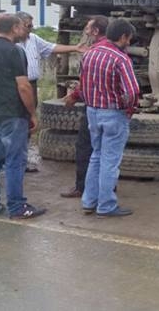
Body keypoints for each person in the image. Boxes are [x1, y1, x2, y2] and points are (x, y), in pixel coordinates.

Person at [0, 14, 46, 219]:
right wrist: (32, 113)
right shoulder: (15, 51)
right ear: (15, 28)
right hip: (13, 114)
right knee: (15, 162)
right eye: (22, 27)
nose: (24, 30)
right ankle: (17, 207)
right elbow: (24, 86)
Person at [75, 18, 140, 217]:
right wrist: (129, 109)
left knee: (96, 156)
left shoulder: (89, 54)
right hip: (113, 114)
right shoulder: (120, 59)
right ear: (122, 37)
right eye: (129, 38)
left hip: (92, 112)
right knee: (110, 161)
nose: (129, 42)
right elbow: (133, 91)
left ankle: (89, 202)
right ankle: (106, 205)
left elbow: (82, 84)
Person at [15, 11, 85, 172]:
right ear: (17, 25)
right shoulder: (11, 44)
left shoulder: (33, 39)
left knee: (27, 123)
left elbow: (52, 47)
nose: (31, 29)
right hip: (17, 85)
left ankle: (21, 161)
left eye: (32, 25)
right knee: (16, 122)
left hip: (31, 85)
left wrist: (75, 47)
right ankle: (13, 160)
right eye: (28, 26)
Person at [59, 15, 109, 199]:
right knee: (107, 152)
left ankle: (82, 188)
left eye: (88, 29)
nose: (86, 32)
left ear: (96, 31)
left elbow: (87, 82)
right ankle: (106, 189)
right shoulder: (118, 51)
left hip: (94, 108)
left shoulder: (91, 53)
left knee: (85, 148)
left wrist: (73, 96)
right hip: (113, 110)